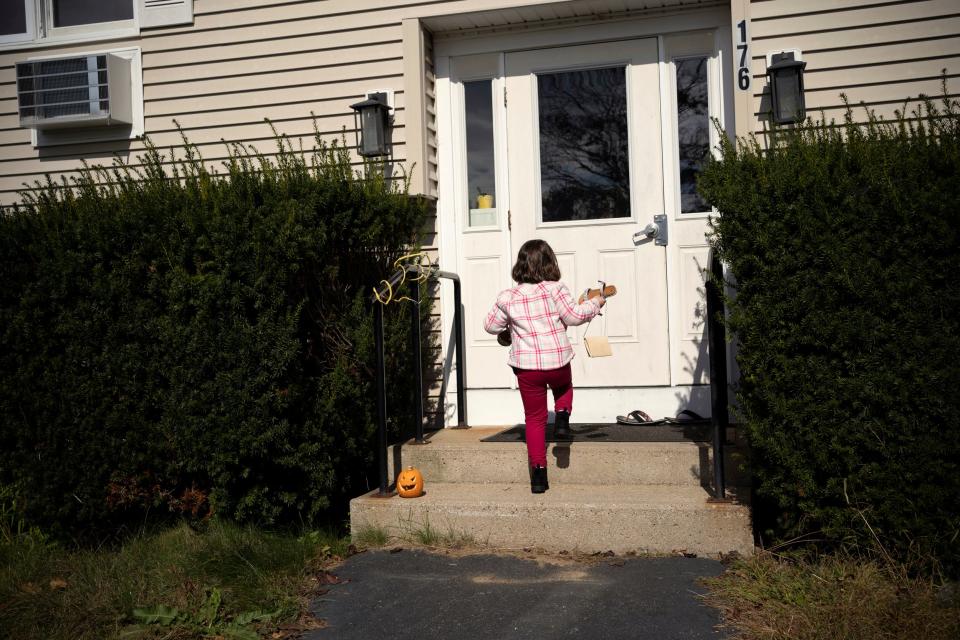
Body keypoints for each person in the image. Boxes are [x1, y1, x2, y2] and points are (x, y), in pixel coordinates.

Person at [483, 239, 604, 494]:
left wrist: (510, 326)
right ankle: (562, 417)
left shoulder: (508, 297)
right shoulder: (556, 289)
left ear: (521, 265)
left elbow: (490, 326)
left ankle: (538, 476)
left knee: (535, 419)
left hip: (527, 369)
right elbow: (574, 316)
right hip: (557, 362)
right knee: (564, 385)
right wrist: (595, 304)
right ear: (550, 263)